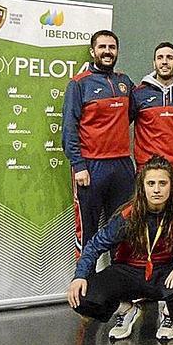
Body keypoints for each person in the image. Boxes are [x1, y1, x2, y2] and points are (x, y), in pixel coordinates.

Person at [66, 156, 173, 341]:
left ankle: (168, 315)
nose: (157, 189)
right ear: (142, 187)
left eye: (163, 183)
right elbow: (95, 245)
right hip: (128, 272)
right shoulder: (129, 213)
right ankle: (126, 310)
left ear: (172, 185)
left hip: (163, 271)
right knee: (81, 297)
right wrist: (80, 275)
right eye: (151, 183)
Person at [62, 30, 135, 254]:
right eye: (102, 47)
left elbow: (130, 115)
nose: (107, 52)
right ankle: (86, 281)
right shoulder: (78, 84)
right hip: (91, 167)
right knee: (88, 229)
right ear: (93, 51)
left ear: (117, 52)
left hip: (122, 166)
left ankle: (120, 281)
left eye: (111, 47)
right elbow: (69, 127)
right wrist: (79, 165)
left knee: (123, 227)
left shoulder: (125, 82)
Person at [132, 42, 173, 196]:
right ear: (154, 63)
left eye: (169, 58)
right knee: (148, 219)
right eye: (160, 58)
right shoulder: (138, 93)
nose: (165, 62)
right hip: (148, 170)